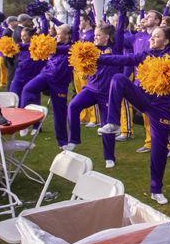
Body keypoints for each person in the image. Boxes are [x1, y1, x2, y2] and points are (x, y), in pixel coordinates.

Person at [97, 25, 170, 204]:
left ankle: (156, 189)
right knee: (118, 79)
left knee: (159, 148)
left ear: (166, 41)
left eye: (157, 37)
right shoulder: (145, 55)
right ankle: (114, 123)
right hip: (141, 97)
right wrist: (100, 58)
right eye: (152, 36)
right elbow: (122, 59)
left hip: (160, 109)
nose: (151, 39)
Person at [64, 15, 126, 169]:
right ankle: (73, 140)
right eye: (95, 35)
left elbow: (119, 31)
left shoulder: (115, 48)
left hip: (107, 93)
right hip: (90, 89)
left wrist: (122, 10)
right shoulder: (91, 49)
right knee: (73, 106)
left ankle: (109, 157)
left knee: (107, 125)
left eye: (98, 35)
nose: (95, 38)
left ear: (107, 37)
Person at [20, 16, 76, 148]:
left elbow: (74, 29)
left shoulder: (72, 46)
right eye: (56, 32)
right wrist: (44, 18)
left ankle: (62, 142)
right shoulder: (52, 42)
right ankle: (24, 123)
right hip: (46, 75)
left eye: (59, 32)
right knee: (28, 89)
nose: (56, 34)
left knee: (59, 113)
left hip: (60, 84)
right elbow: (41, 38)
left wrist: (77, 12)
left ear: (67, 35)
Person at [122, 10, 163, 150]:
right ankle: (150, 142)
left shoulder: (159, 37)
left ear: (157, 21)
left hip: (156, 82)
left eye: (149, 16)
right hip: (140, 80)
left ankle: (165, 145)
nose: (145, 18)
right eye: (145, 16)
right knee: (145, 114)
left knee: (157, 116)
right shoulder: (137, 36)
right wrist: (122, 14)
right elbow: (119, 38)